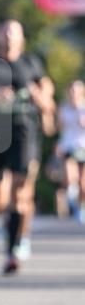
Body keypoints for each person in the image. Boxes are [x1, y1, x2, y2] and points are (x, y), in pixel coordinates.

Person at [0, 19, 55, 274]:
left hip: (24, 131)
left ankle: (14, 247)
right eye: (4, 31)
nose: (8, 36)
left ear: (21, 37)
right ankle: (12, 226)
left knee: (21, 189)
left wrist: (40, 97)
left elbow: (47, 95)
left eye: (13, 32)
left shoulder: (31, 63)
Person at [56, 79, 85, 222]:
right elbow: (59, 129)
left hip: (83, 146)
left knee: (83, 184)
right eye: (72, 90)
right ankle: (71, 198)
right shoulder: (64, 108)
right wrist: (58, 144)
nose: (74, 93)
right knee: (69, 177)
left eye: (76, 90)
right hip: (68, 146)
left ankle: (80, 207)